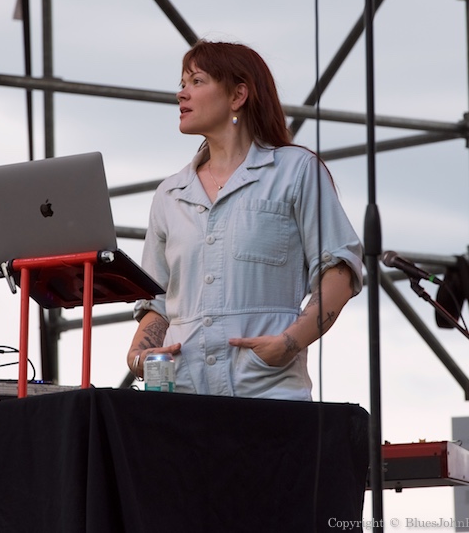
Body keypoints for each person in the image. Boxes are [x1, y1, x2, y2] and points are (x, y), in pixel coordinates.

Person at [127, 40, 363, 401]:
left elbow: (340, 270)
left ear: (238, 95)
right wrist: (137, 354)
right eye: (182, 84)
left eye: (196, 81)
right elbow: (156, 300)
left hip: (269, 395)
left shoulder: (296, 171)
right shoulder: (170, 194)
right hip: (182, 400)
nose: (181, 94)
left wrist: (288, 343)